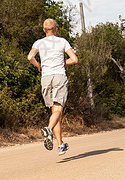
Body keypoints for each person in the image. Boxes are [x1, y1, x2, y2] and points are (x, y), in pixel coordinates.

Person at [27, 18, 78, 155]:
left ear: (44, 30)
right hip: (59, 76)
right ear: (56, 29)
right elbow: (74, 59)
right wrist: (62, 62)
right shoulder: (62, 41)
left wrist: (39, 66)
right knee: (58, 111)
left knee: (54, 112)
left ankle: (60, 145)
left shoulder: (39, 43)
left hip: (46, 78)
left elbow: (30, 57)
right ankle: (49, 129)